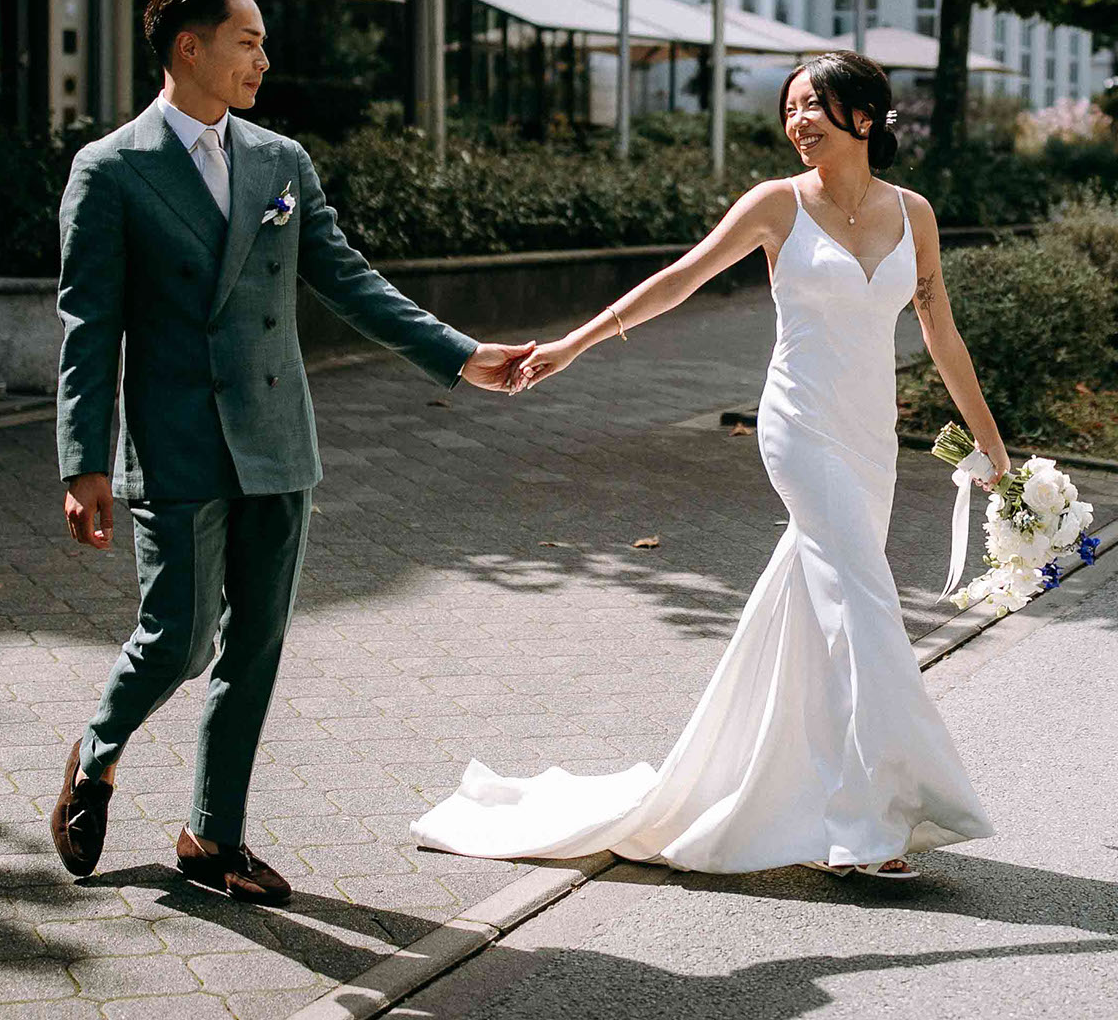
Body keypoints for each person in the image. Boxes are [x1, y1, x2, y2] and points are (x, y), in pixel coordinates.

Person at [414, 50, 1004, 880]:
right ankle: (872, 822)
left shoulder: (916, 214)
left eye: (815, 107)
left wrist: (994, 444)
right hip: (799, 430)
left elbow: (941, 331)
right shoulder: (776, 206)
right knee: (864, 610)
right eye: (790, 108)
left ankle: (767, 788)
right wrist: (572, 345)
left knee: (820, 610)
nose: (798, 122)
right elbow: (680, 279)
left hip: (873, 441)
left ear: (864, 117)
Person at [48, 0, 536, 903]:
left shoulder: (280, 161)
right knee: (179, 638)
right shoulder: (110, 170)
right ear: (188, 48)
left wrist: (459, 354)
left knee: (256, 646)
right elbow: (87, 326)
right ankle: (97, 756)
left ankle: (212, 838)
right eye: (248, 42)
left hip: (277, 437)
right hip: (178, 442)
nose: (264, 60)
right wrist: (83, 460)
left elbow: (348, 279)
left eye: (263, 44)